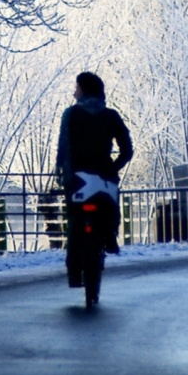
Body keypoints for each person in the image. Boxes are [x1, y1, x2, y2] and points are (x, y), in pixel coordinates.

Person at [56, 71, 133, 288]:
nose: (74, 92)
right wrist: (112, 167)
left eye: (77, 88)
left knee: (74, 220)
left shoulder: (70, 114)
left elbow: (63, 148)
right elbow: (127, 150)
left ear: (84, 90)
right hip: (103, 177)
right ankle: (109, 239)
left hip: (78, 178)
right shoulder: (111, 116)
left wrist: (63, 174)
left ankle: (73, 273)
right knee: (109, 211)